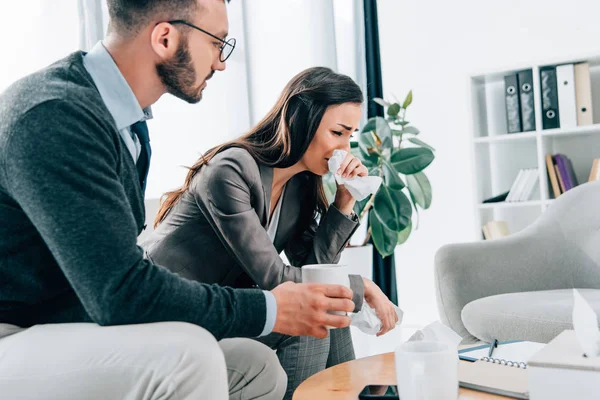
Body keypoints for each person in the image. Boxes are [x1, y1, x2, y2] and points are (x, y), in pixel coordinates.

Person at [0, 1, 357, 399]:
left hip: (71, 319)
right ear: (165, 38)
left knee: (255, 368)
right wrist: (270, 309)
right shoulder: (57, 116)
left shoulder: (127, 126)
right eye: (217, 43)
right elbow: (120, 293)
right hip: (16, 330)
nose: (221, 63)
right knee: (193, 357)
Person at [143, 66, 399, 399]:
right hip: (179, 317)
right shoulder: (231, 170)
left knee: (325, 310)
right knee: (310, 317)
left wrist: (343, 202)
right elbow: (277, 280)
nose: (345, 149)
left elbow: (315, 270)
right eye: (338, 133)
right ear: (300, 119)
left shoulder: (299, 187)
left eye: (350, 136)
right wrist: (361, 286)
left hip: (229, 311)